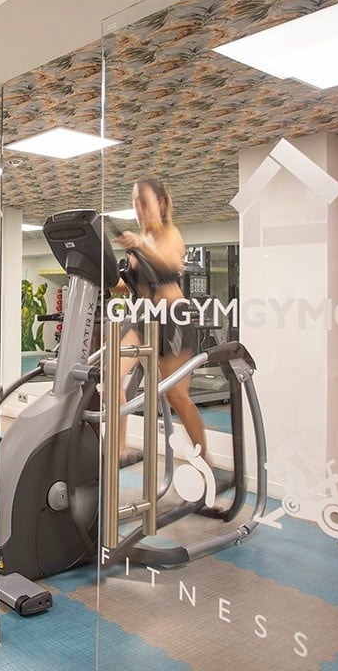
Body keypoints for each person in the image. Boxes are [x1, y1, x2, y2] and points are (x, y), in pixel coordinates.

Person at [114, 177, 207, 469]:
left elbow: (169, 264)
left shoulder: (170, 234)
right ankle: (119, 450)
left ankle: (206, 462)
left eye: (144, 201)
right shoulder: (137, 242)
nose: (139, 208)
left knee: (177, 397)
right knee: (111, 374)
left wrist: (140, 244)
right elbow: (127, 285)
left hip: (172, 318)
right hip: (142, 317)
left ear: (161, 203)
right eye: (135, 203)